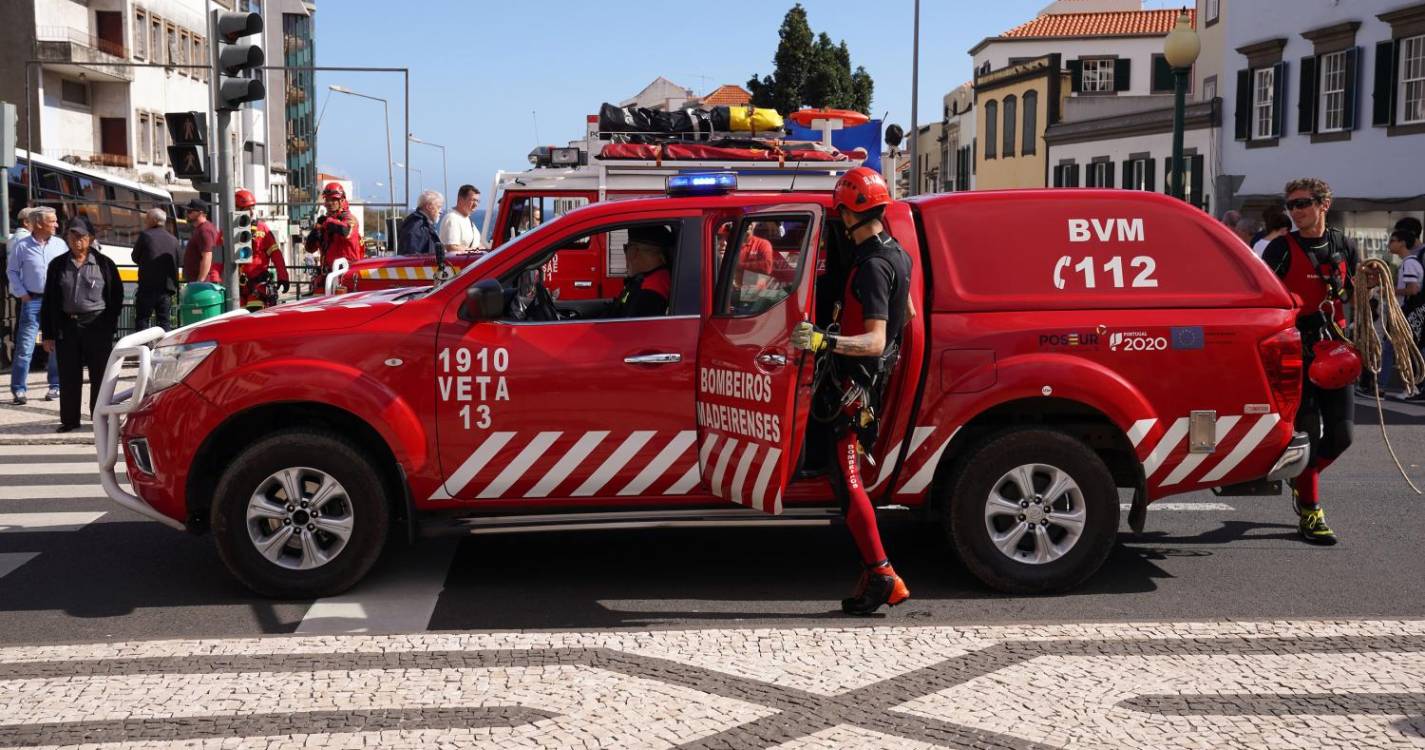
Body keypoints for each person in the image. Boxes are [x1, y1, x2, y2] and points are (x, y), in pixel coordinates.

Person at [790, 166, 913, 615]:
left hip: (854, 388)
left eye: (840, 211)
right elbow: (909, 314)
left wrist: (825, 340)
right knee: (843, 478)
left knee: (848, 479)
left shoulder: (873, 267)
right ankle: (878, 571)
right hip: (865, 383)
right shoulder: (897, 255)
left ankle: (882, 573)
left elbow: (877, 340)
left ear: (849, 214)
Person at [1261, 178, 1357, 545]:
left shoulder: (1344, 245)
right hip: (1298, 351)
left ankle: (1303, 479)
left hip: (1336, 349)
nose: (1296, 211)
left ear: (1324, 204)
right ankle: (1312, 512)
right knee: (1307, 434)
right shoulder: (1280, 250)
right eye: (1291, 205)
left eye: (1303, 203)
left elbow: (1353, 295)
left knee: (1343, 435)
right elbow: (1266, 299)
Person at [40, 220, 122, 432]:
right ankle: (69, 420)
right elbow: (49, 300)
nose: (76, 241)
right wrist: (47, 334)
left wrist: (108, 325)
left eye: (81, 237)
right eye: (72, 236)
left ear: (91, 239)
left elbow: (116, 297)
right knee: (68, 375)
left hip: (97, 326)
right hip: (67, 325)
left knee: (100, 375)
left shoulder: (104, 264)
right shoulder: (57, 265)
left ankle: (99, 418)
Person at [6, 207, 66, 404]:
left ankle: (55, 386)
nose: (57, 224)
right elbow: (12, 271)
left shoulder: (60, 244)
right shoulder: (22, 246)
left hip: (56, 302)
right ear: (39, 223)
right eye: (53, 221)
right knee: (25, 346)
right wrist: (21, 293)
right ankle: (19, 390)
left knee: (56, 345)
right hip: (32, 300)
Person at [235, 189, 289, 308]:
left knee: (255, 315)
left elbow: (276, 254)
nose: (250, 212)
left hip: (257, 286)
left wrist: (283, 276)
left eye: (251, 208)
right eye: (246, 209)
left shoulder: (262, 229)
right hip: (236, 288)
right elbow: (219, 259)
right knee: (236, 320)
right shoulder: (229, 230)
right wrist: (215, 280)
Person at [304, 182, 362, 294]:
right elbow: (310, 249)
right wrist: (315, 232)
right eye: (327, 200)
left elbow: (346, 231)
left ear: (342, 200)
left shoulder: (349, 219)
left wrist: (327, 223)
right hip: (327, 276)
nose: (330, 203)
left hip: (346, 276)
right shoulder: (324, 222)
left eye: (334, 200)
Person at [132, 208, 179, 330]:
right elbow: (178, 261)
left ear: (153, 220)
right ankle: (163, 347)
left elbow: (135, 257)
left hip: (147, 286)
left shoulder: (145, 236)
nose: (145, 221)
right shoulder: (173, 239)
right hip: (166, 288)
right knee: (164, 321)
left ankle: (143, 347)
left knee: (142, 319)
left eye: (146, 218)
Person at [612, 224, 673, 317]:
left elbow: (629, 329)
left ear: (633, 252)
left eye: (626, 248)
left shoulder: (648, 294)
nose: (626, 255)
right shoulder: (654, 279)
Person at [181, 198, 221, 284]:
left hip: (204, 285)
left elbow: (207, 255)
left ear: (200, 213)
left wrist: (200, 282)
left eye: (190, 211)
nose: (187, 214)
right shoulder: (201, 229)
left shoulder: (205, 230)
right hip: (200, 282)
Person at [397, 190, 443, 259]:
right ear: (429, 207)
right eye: (439, 207)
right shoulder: (417, 226)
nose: (441, 211)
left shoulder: (422, 224)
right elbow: (411, 257)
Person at [439, 184, 482, 254]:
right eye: (473, 200)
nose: (476, 204)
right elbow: (452, 247)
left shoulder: (468, 220)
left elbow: (476, 244)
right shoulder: (452, 218)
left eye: (477, 201)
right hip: (458, 264)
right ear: (460, 200)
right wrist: (476, 250)